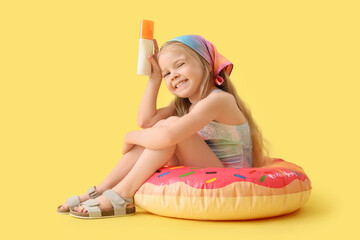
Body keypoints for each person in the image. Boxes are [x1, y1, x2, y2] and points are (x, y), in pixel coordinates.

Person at [57, 35, 269, 219]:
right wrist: (154, 79)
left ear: (204, 63)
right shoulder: (185, 104)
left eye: (179, 65)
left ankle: (122, 193)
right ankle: (103, 189)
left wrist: (130, 136)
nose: (173, 75)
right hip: (204, 166)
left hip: (229, 176)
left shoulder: (219, 100)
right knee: (162, 128)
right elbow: (147, 122)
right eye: (167, 73)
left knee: (169, 129)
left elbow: (166, 135)